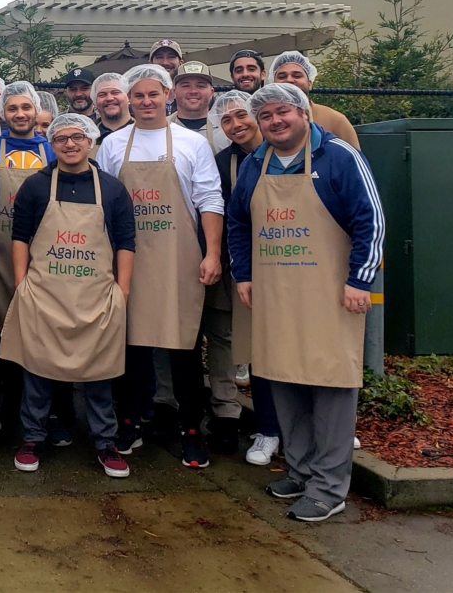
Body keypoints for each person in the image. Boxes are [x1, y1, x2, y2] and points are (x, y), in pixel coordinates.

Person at [228, 83, 383, 522]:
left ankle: (330, 487)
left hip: (331, 292)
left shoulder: (339, 157)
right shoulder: (257, 163)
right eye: (267, 116)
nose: (276, 122)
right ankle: (300, 470)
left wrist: (360, 280)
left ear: (303, 113)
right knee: (283, 377)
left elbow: (369, 219)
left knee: (330, 381)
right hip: (275, 291)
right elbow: (239, 221)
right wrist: (244, 272)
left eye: (284, 113)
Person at [96, 64, 224, 469]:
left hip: (179, 259)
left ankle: (191, 429)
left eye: (154, 95)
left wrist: (213, 253)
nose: (146, 102)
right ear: (128, 100)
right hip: (128, 258)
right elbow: (103, 206)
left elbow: (210, 198)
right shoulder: (114, 145)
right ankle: (132, 421)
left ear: (168, 95)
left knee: (184, 347)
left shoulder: (192, 143)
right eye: (138, 96)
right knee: (132, 347)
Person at [1, 113, 136, 477]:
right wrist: (22, 284)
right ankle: (32, 438)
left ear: (90, 141)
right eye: (61, 138)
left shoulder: (111, 188)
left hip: (97, 298)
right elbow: (21, 237)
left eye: (77, 137)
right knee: (38, 372)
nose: (70, 144)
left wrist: (121, 290)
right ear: (52, 144)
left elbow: (125, 241)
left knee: (99, 375)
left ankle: (106, 443)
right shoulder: (35, 186)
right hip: (45, 295)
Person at [0, 81, 58, 442]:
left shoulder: (55, 151)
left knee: (39, 336)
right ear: (3, 113)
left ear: (35, 110)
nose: (20, 114)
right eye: (13, 109)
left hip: (44, 258)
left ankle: (43, 414)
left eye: (26, 108)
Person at [211, 90, 279, 464]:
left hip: (295, 262)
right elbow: (229, 219)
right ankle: (267, 428)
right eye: (226, 120)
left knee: (292, 344)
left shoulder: (295, 154)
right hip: (246, 266)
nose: (236, 125)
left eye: (242, 115)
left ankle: (320, 426)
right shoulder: (228, 163)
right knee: (255, 349)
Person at [269, 51, 362, 151]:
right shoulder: (266, 121)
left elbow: (353, 161)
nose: (289, 80)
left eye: (297, 75)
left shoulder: (335, 120)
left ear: (309, 83)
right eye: (282, 76)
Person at [170, 62, 231, 154]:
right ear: (174, 92)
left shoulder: (227, 130)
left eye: (200, 86)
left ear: (211, 92)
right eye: (186, 86)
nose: (193, 91)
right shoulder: (160, 128)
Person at [92, 73, 133, 146]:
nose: (109, 98)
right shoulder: (88, 138)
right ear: (95, 101)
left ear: (128, 97)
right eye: (102, 94)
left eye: (115, 92)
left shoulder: (146, 131)